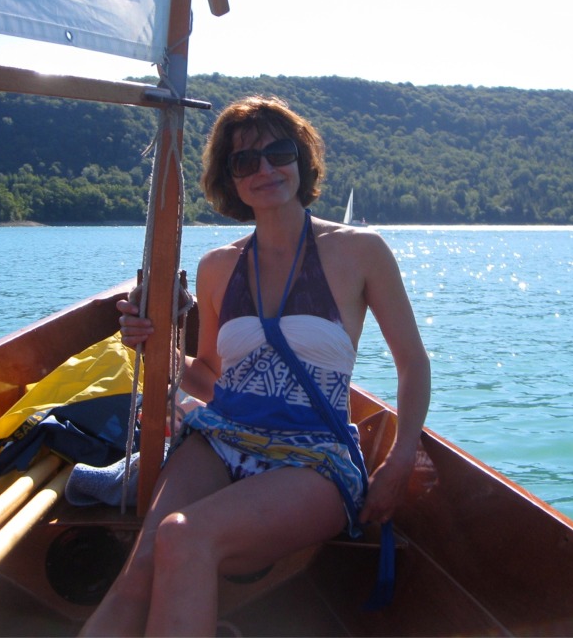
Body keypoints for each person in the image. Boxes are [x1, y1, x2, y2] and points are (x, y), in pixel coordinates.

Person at [81, 96, 430, 636]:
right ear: (231, 179)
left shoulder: (359, 251)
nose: (265, 169)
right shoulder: (218, 266)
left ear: (301, 160)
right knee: (140, 568)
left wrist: (400, 459)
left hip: (315, 457)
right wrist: (157, 349)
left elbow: (412, 364)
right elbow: (211, 378)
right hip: (223, 437)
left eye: (278, 152)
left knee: (186, 535)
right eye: (245, 162)